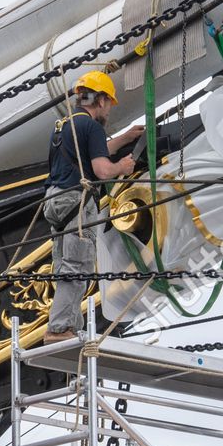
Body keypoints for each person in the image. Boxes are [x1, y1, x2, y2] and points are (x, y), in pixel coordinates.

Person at [42, 71, 142, 338]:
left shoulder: (64, 125)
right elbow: (101, 170)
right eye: (108, 102)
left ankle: (65, 325)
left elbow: (91, 151)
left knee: (66, 267)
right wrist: (122, 166)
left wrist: (125, 138)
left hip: (55, 202)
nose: (108, 109)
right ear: (100, 100)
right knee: (78, 266)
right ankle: (60, 328)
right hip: (77, 201)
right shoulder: (93, 126)